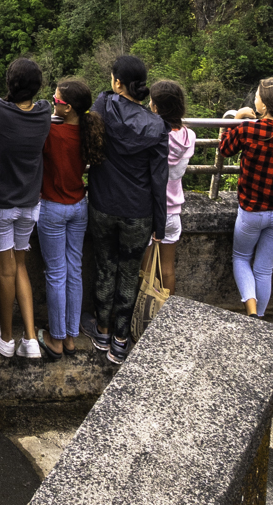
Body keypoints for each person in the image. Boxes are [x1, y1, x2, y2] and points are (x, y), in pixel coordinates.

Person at [86, 55, 167, 365]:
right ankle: (120, 341)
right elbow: (158, 180)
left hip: (103, 205)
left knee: (105, 267)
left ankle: (102, 330)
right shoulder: (157, 124)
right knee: (129, 272)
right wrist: (160, 224)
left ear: (117, 83)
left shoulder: (104, 105)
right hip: (139, 211)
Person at [0, 55, 51, 360]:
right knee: (20, 266)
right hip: (30, 204)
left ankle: (6, 337)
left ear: (10, 83)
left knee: (5, 270)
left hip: (1, 204)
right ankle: (31, 339)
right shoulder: (45, 111)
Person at [219, 78, 273, 321]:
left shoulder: (249, 130)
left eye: (257, 96)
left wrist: (237, 118)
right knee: (264, 269)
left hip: (251, 212)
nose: (255, 99)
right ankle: (259, 318)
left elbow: (224, 148)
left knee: (240, 258)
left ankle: (251, 313)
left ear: (266, 105)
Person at [39, 78, 97, 358]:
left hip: (53, 207)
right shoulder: (88, 132)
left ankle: (56, 338)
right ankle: (71, 337)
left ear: (69, 108)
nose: (53, 101)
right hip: (78, 205)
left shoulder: (52, 133)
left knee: (56, 274)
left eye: (57, 100)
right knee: (75, 270)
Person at [150, 80, 194, 294]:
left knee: (146, 269)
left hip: (151, 209)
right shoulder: (189, 136)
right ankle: (165, 315)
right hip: (173, 212)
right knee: (167, 269)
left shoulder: (155, 136)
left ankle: (142, 316)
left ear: (156, 108)